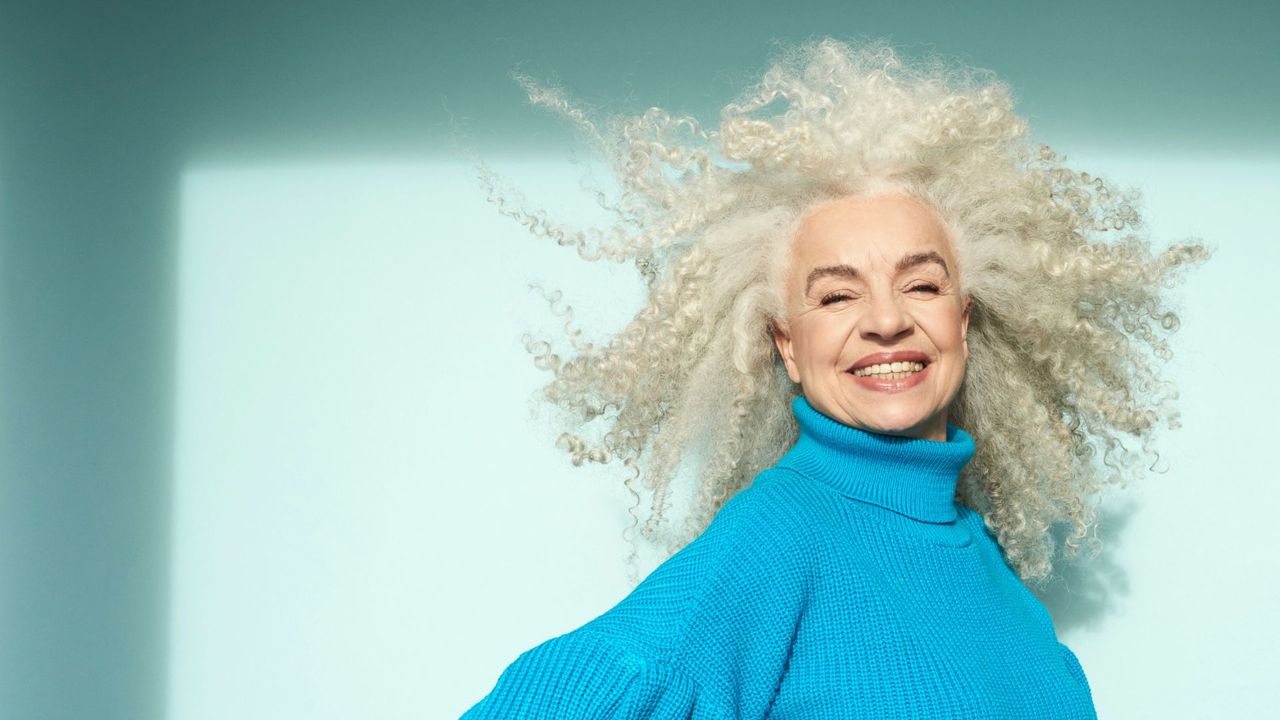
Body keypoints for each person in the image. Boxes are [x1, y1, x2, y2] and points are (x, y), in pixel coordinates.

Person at [462, 37, 1209, 719]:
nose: (886, 320)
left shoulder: (1003, 588)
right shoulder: (778, 537)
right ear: (788, 345)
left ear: (965, 319)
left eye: (921, 285)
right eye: (837, 294)